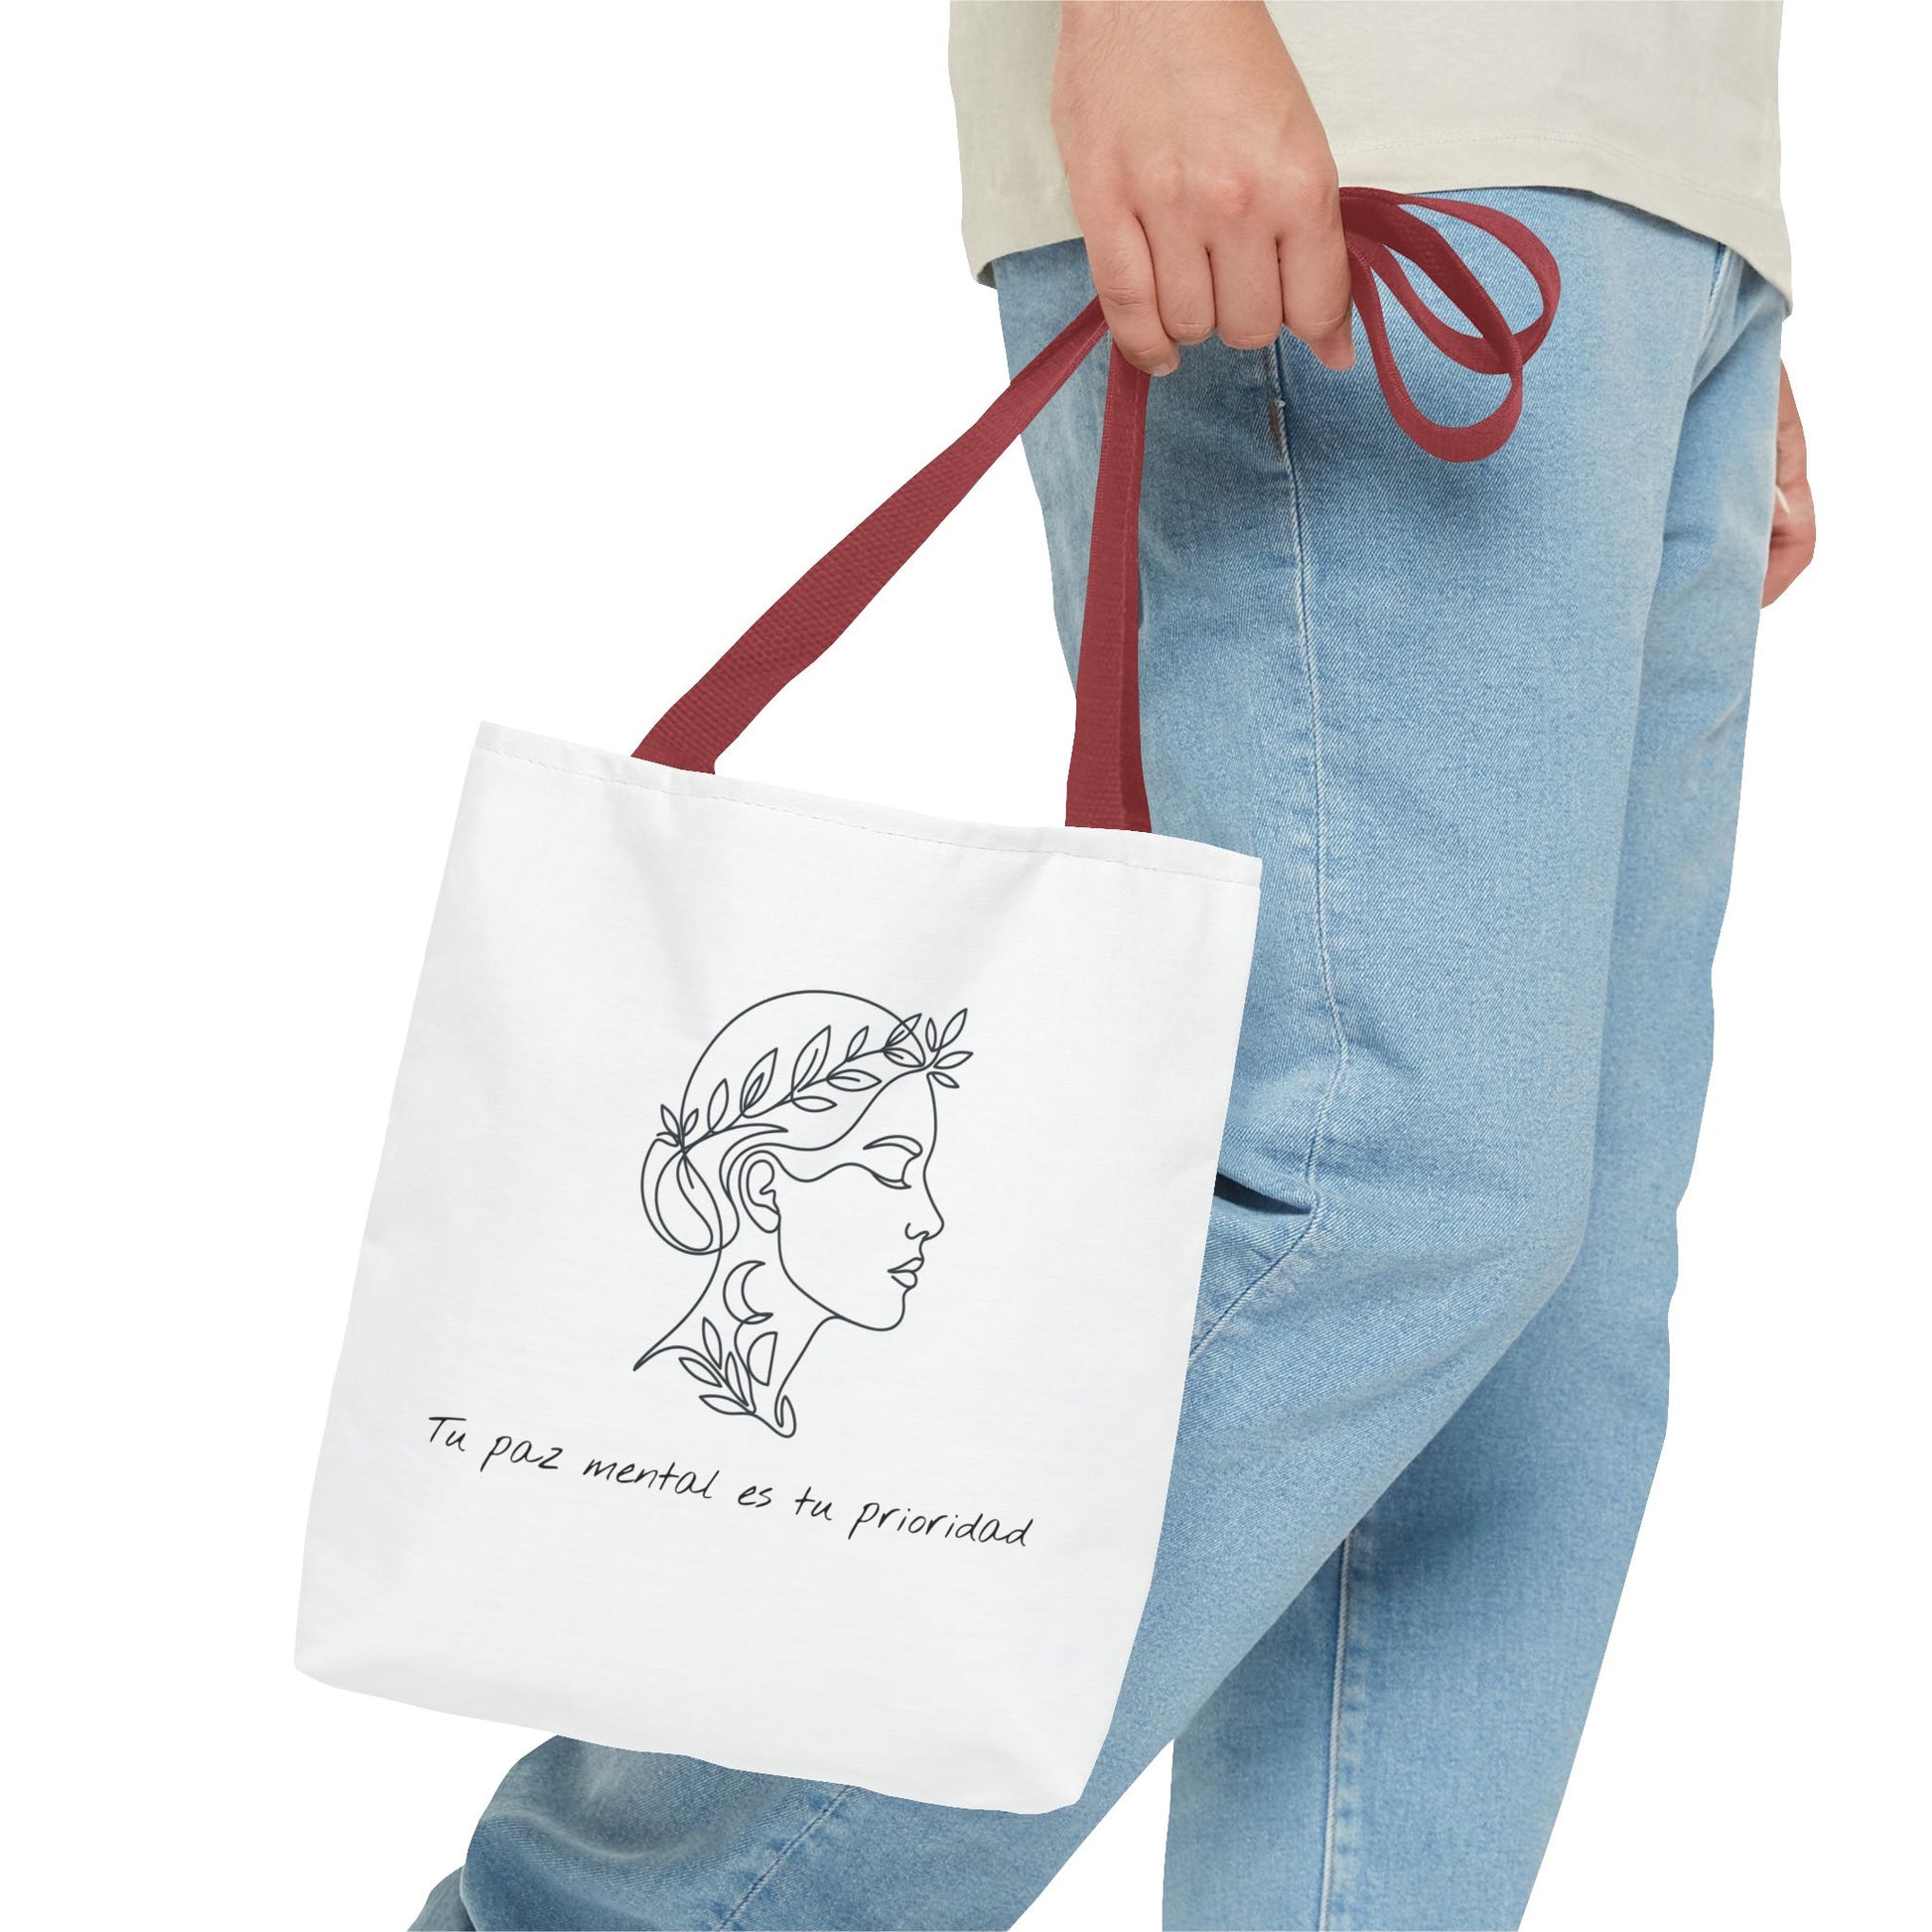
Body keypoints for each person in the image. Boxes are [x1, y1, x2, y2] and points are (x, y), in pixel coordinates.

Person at [412, 3, 1815, 1925]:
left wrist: (1696, 231)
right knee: (1377, 1194)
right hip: (1361, 112)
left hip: (1641, 189)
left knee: (1533, 1354)